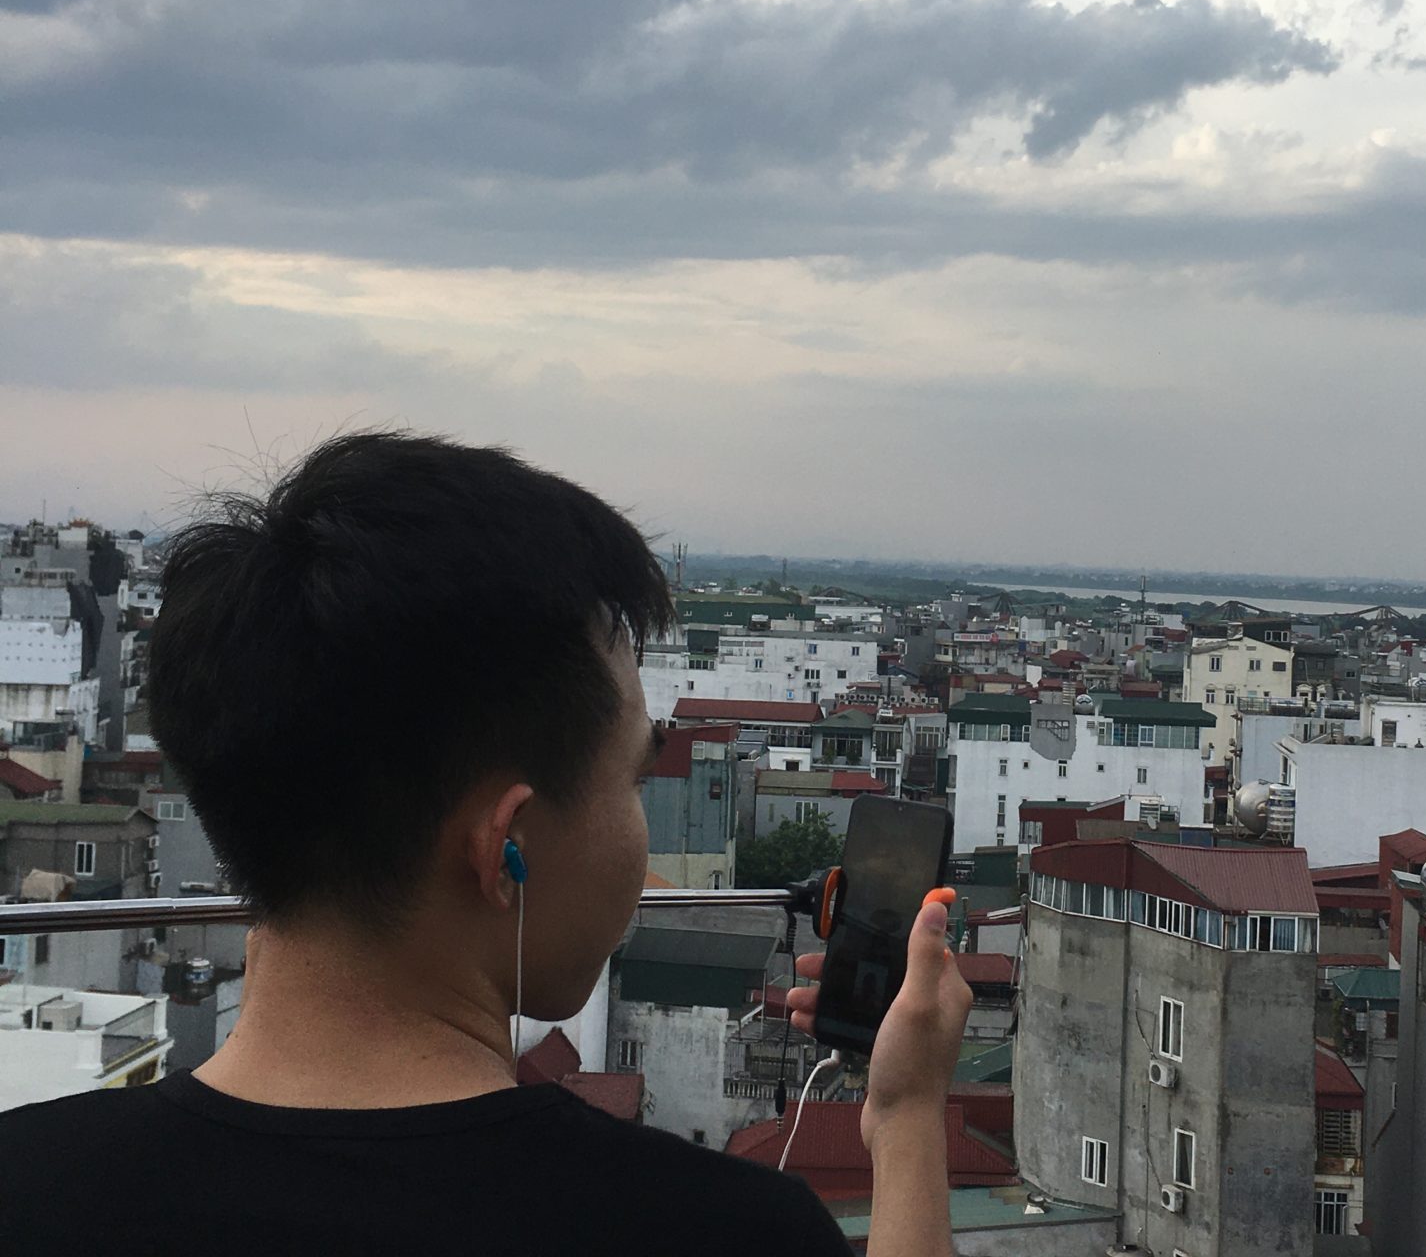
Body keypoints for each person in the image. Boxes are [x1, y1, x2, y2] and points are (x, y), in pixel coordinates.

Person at [1, 432, 973, 1254]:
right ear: (505, 846)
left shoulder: (30, 1187)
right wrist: (905, 1117)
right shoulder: (715, 1230)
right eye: (630, 782)